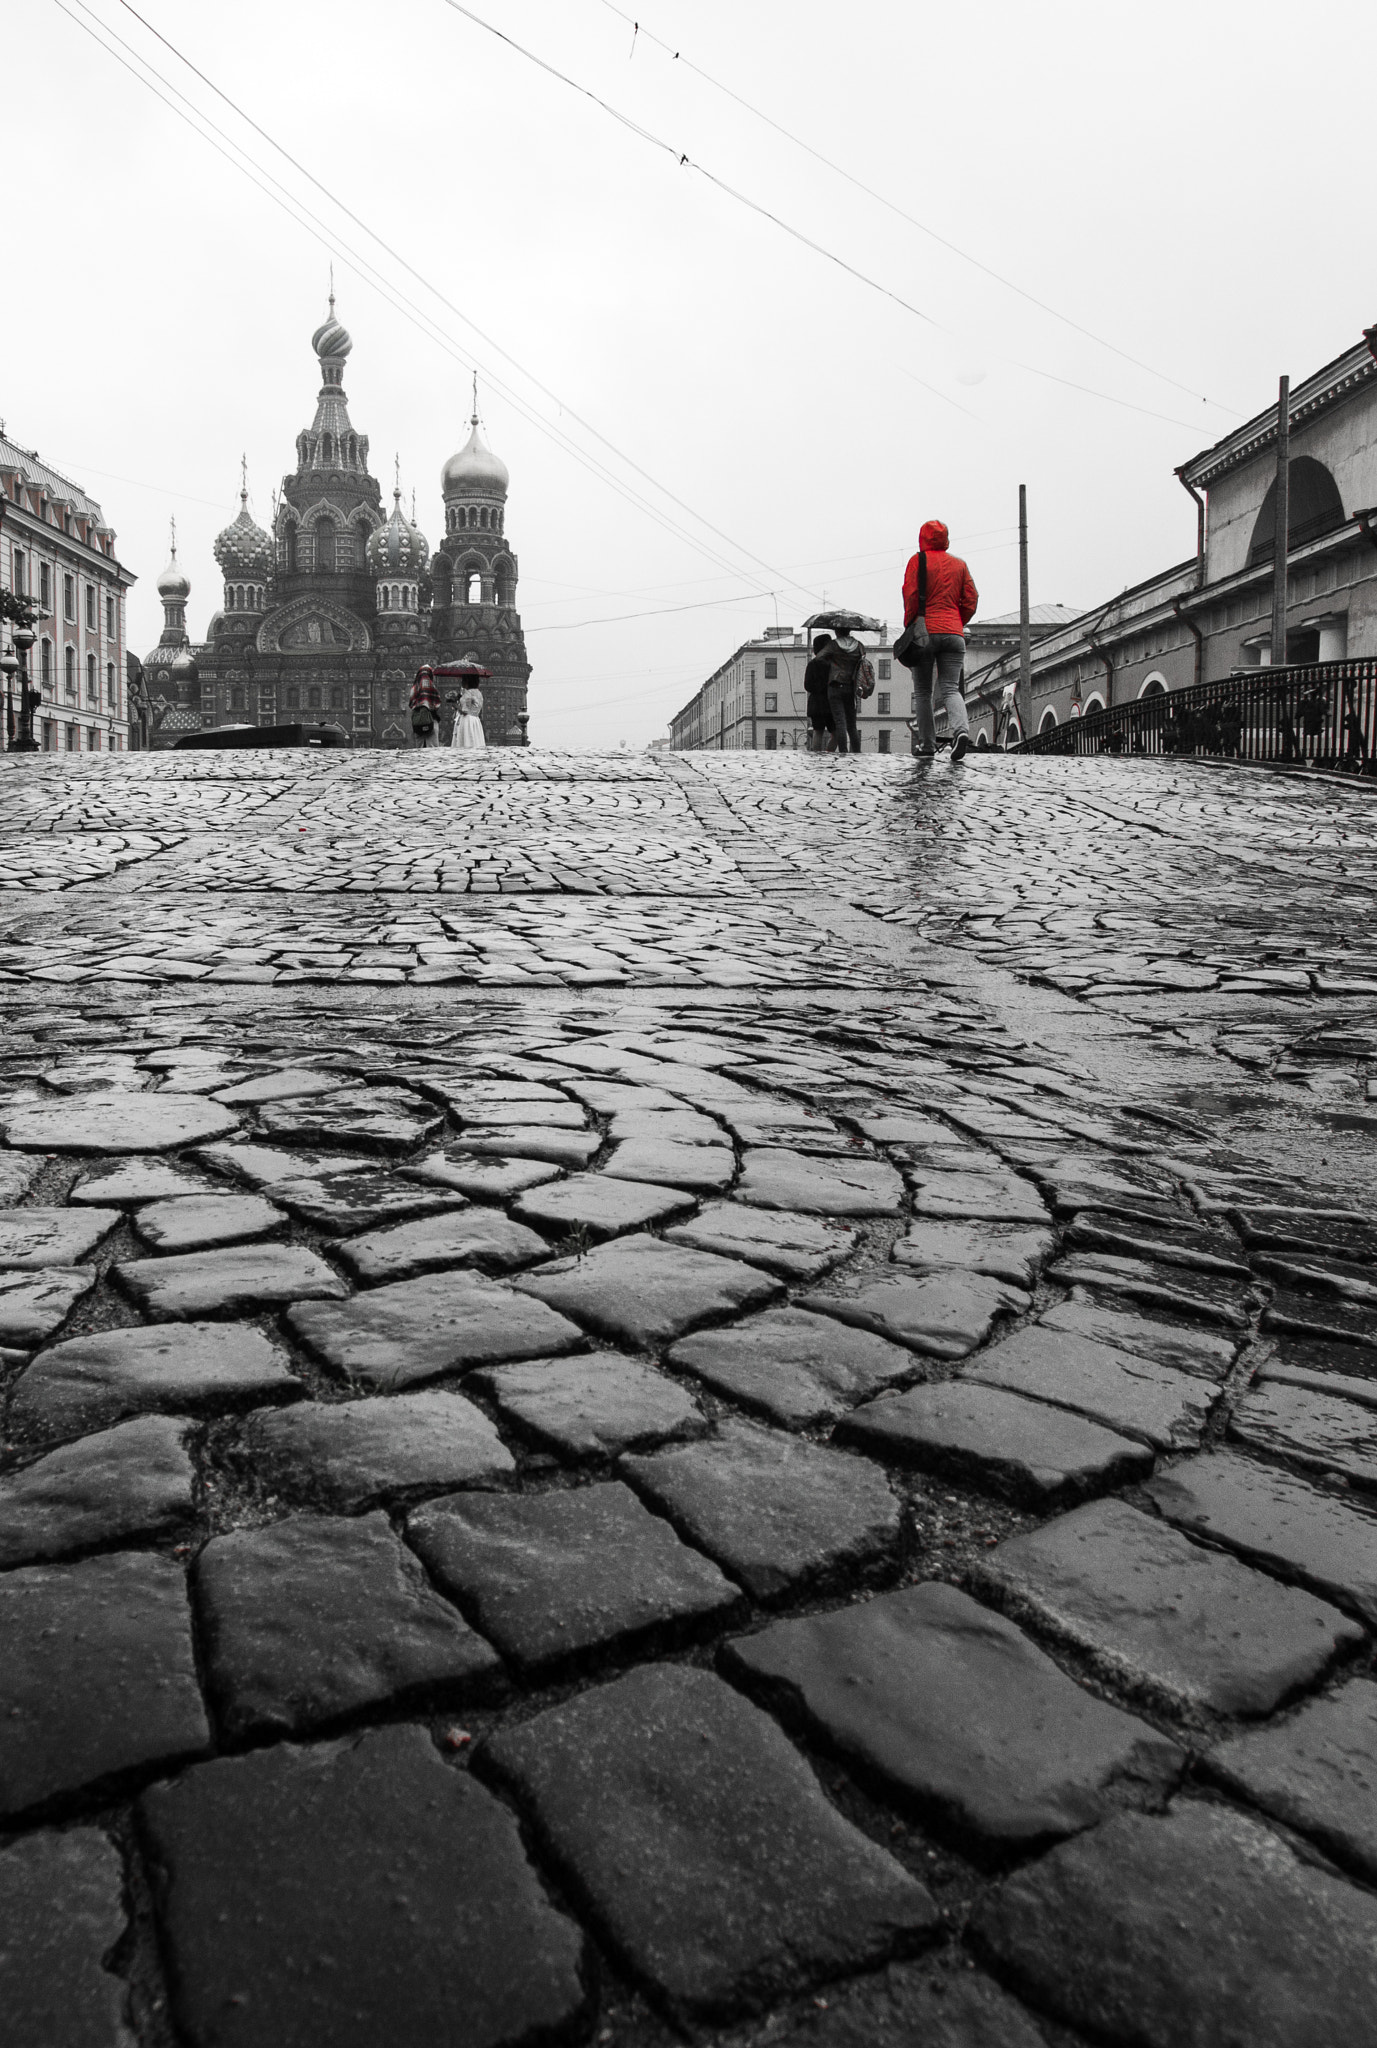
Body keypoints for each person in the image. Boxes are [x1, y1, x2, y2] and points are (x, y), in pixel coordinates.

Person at [902, 520, 978, 761]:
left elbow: (911, 595)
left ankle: (926, 744)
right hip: (954, 633)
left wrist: (910, 624)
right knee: (950, 688)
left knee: (923, 691)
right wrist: (957, 621)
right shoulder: (960, 564)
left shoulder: (918, 561)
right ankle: (961, 732)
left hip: (925, 631)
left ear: (922, 538)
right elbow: (971, 599)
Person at [826, 631, 868, 757]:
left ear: (836, 631)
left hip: (835, 685)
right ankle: (856, 751)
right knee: (852, 724)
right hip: (851, 686)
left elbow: (819, 657)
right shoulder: (859, 645)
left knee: (840, 722)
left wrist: (832, 662)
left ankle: (843, 751)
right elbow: (863, 660)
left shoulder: (833, 645)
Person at [804, 635, 836, 753]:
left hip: (816, 704)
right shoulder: (833, 664)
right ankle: (829, 753)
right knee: (836, 733)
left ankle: (817, 756)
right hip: (831, 703)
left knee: (818, 732)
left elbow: (807, 686)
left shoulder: (812, 664)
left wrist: (819, 687)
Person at [409, 666, 441, 747]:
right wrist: (428, 706)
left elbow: (411, 704)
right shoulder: (432, 686)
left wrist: (420, 706)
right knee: (432, 746)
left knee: (419, 746)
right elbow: (437, 703)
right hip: (431, 720)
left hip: (418, 721)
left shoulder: (414, 688)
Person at [453, 685, 486, 750]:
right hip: (475, 720)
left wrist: (455, 705)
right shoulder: (478, 693)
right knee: (475, 741)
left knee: (467, 740)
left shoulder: (468, 694)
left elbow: (465, 711)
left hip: (467, 720)